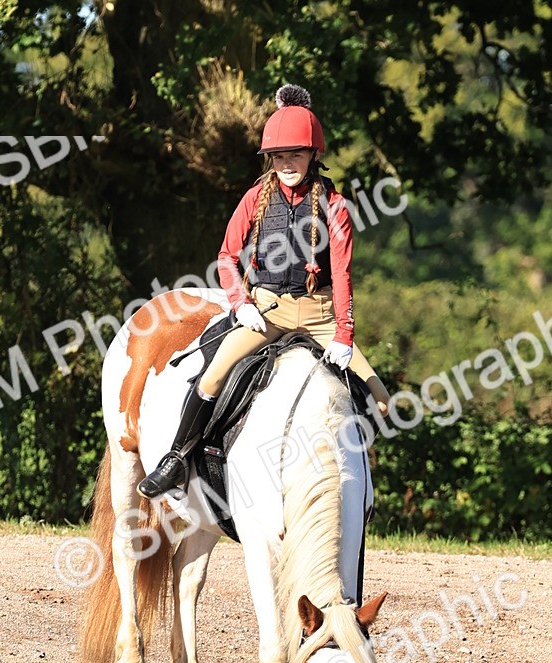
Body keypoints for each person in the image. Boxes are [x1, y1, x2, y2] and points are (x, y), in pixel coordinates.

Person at [137, 83, 390, 500]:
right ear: (270, 159)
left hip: (321, 315)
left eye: (295, 155)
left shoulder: (336, 207)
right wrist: (240, 304)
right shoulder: (255, 199)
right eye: (279, 156)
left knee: (379, 400)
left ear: (313, 155)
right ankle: (176, 460)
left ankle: (356, 490)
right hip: (268, 310)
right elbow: (225, 257)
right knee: (212, 375)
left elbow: (343, 274)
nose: (287, 164)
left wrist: (344, 334)